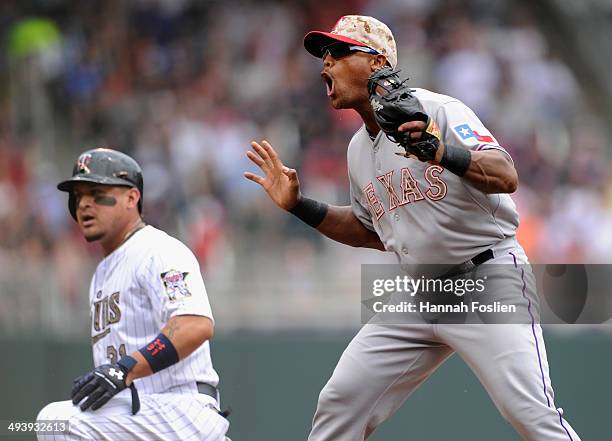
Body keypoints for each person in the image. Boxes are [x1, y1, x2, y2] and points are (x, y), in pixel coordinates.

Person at [244, 15, 581, 441]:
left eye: (339, 53)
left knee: (529, 413)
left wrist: (441, 150)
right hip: (418, 293)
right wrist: (299, 207)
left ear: (376, 62)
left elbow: (505, 173)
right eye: (324, 56)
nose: (325, 64)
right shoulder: (357, 149)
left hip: (485, 277)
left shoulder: (436, 109)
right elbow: (370, 229)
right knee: (341, 401)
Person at [36, 148, 230, 441]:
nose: (84, 204)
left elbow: (195, 324)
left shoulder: (158, 250)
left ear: (131, 197)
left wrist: (125, 369)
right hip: (140, 412)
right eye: (78, 195)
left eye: (96, 192)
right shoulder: (102, 272)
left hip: (179, 408)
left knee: (55, 422)